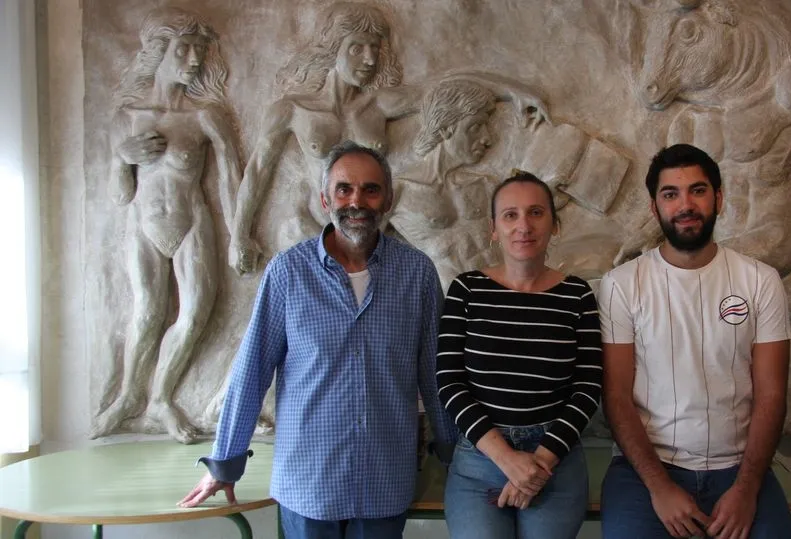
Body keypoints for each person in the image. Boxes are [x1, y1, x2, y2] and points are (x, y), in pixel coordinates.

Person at [178, 141, 457, 539]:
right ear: (326, 199)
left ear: (388, 199)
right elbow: (252, 370)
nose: (356, 200)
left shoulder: (417, 274)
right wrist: (225, 463)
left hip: (384, 481)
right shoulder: (288, 273)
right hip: (308, 484)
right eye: (344, 189)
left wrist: (452, 453)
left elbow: (435, 373)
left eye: (371, 189)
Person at [228, 1, 549, 275]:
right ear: (333, 50)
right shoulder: (291, 110)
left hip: (371, 230)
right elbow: (258, 172)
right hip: (317, 229)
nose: (369, 58)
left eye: (374, 48)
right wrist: (240, 236)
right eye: (357, 48)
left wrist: (516, 92)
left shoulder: (379, 105)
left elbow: (445, 88)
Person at [599, 143, 791, 539]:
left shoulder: (760, 281)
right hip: (646, 472)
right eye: (671, 194)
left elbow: (772, 394)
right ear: (655, 208)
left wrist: (745, 489)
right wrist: (660, 487)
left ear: (719, 199)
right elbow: (616, 396)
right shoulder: (621, 285)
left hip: (740, 470)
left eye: (698, 191)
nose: (685, 204)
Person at [92, 7, 242, 443]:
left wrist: (240, 233)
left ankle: (161, 398)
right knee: (147, 313)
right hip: (142, 225)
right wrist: (122, 157)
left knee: (194, 314)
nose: (194, 59)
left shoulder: (205, 115)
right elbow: (119, 195)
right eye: (184, 49)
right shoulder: (129, 115)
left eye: (199, 50)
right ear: (158, 53)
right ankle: (127, 398)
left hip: (193, 221)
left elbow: (232, 178)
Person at [436, 172, 603, 539]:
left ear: (555, 225)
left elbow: (588, 387)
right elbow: (449, 382)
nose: (523, 225)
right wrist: (507, 459)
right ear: (493, 228)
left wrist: (538, 464)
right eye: (510, 215)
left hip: (555, 461)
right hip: (480, 461)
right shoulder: (465, 290)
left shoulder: (577, 295)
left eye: (536, 213)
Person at [387, 78, 500, 290]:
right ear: (446, 128)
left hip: (504, 297)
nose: (487, 138)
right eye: (475, 127)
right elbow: (361, 251)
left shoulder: (485, 184)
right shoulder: (399, 190)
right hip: (449, 306)